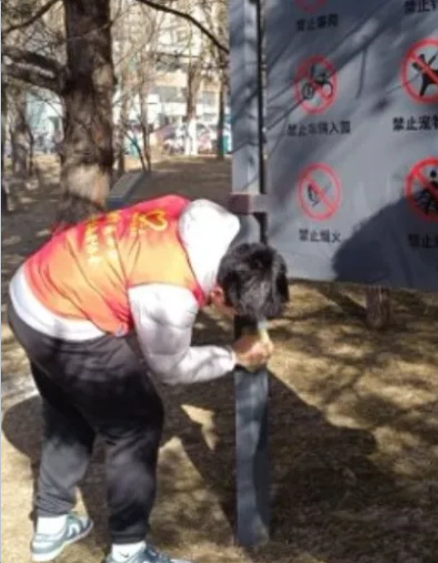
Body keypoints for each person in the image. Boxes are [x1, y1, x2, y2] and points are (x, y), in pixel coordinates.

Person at [7, 194, 289, 563]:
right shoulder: (170, 293)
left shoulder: (189, 212)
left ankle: (51, 526)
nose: (235, 317)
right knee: (137, 425)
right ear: (219, 293)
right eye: (236, 311)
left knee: (70, 410)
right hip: (60, 321)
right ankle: (129, 552)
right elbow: (171, 368)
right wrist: (233, 356)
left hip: (31, 289)